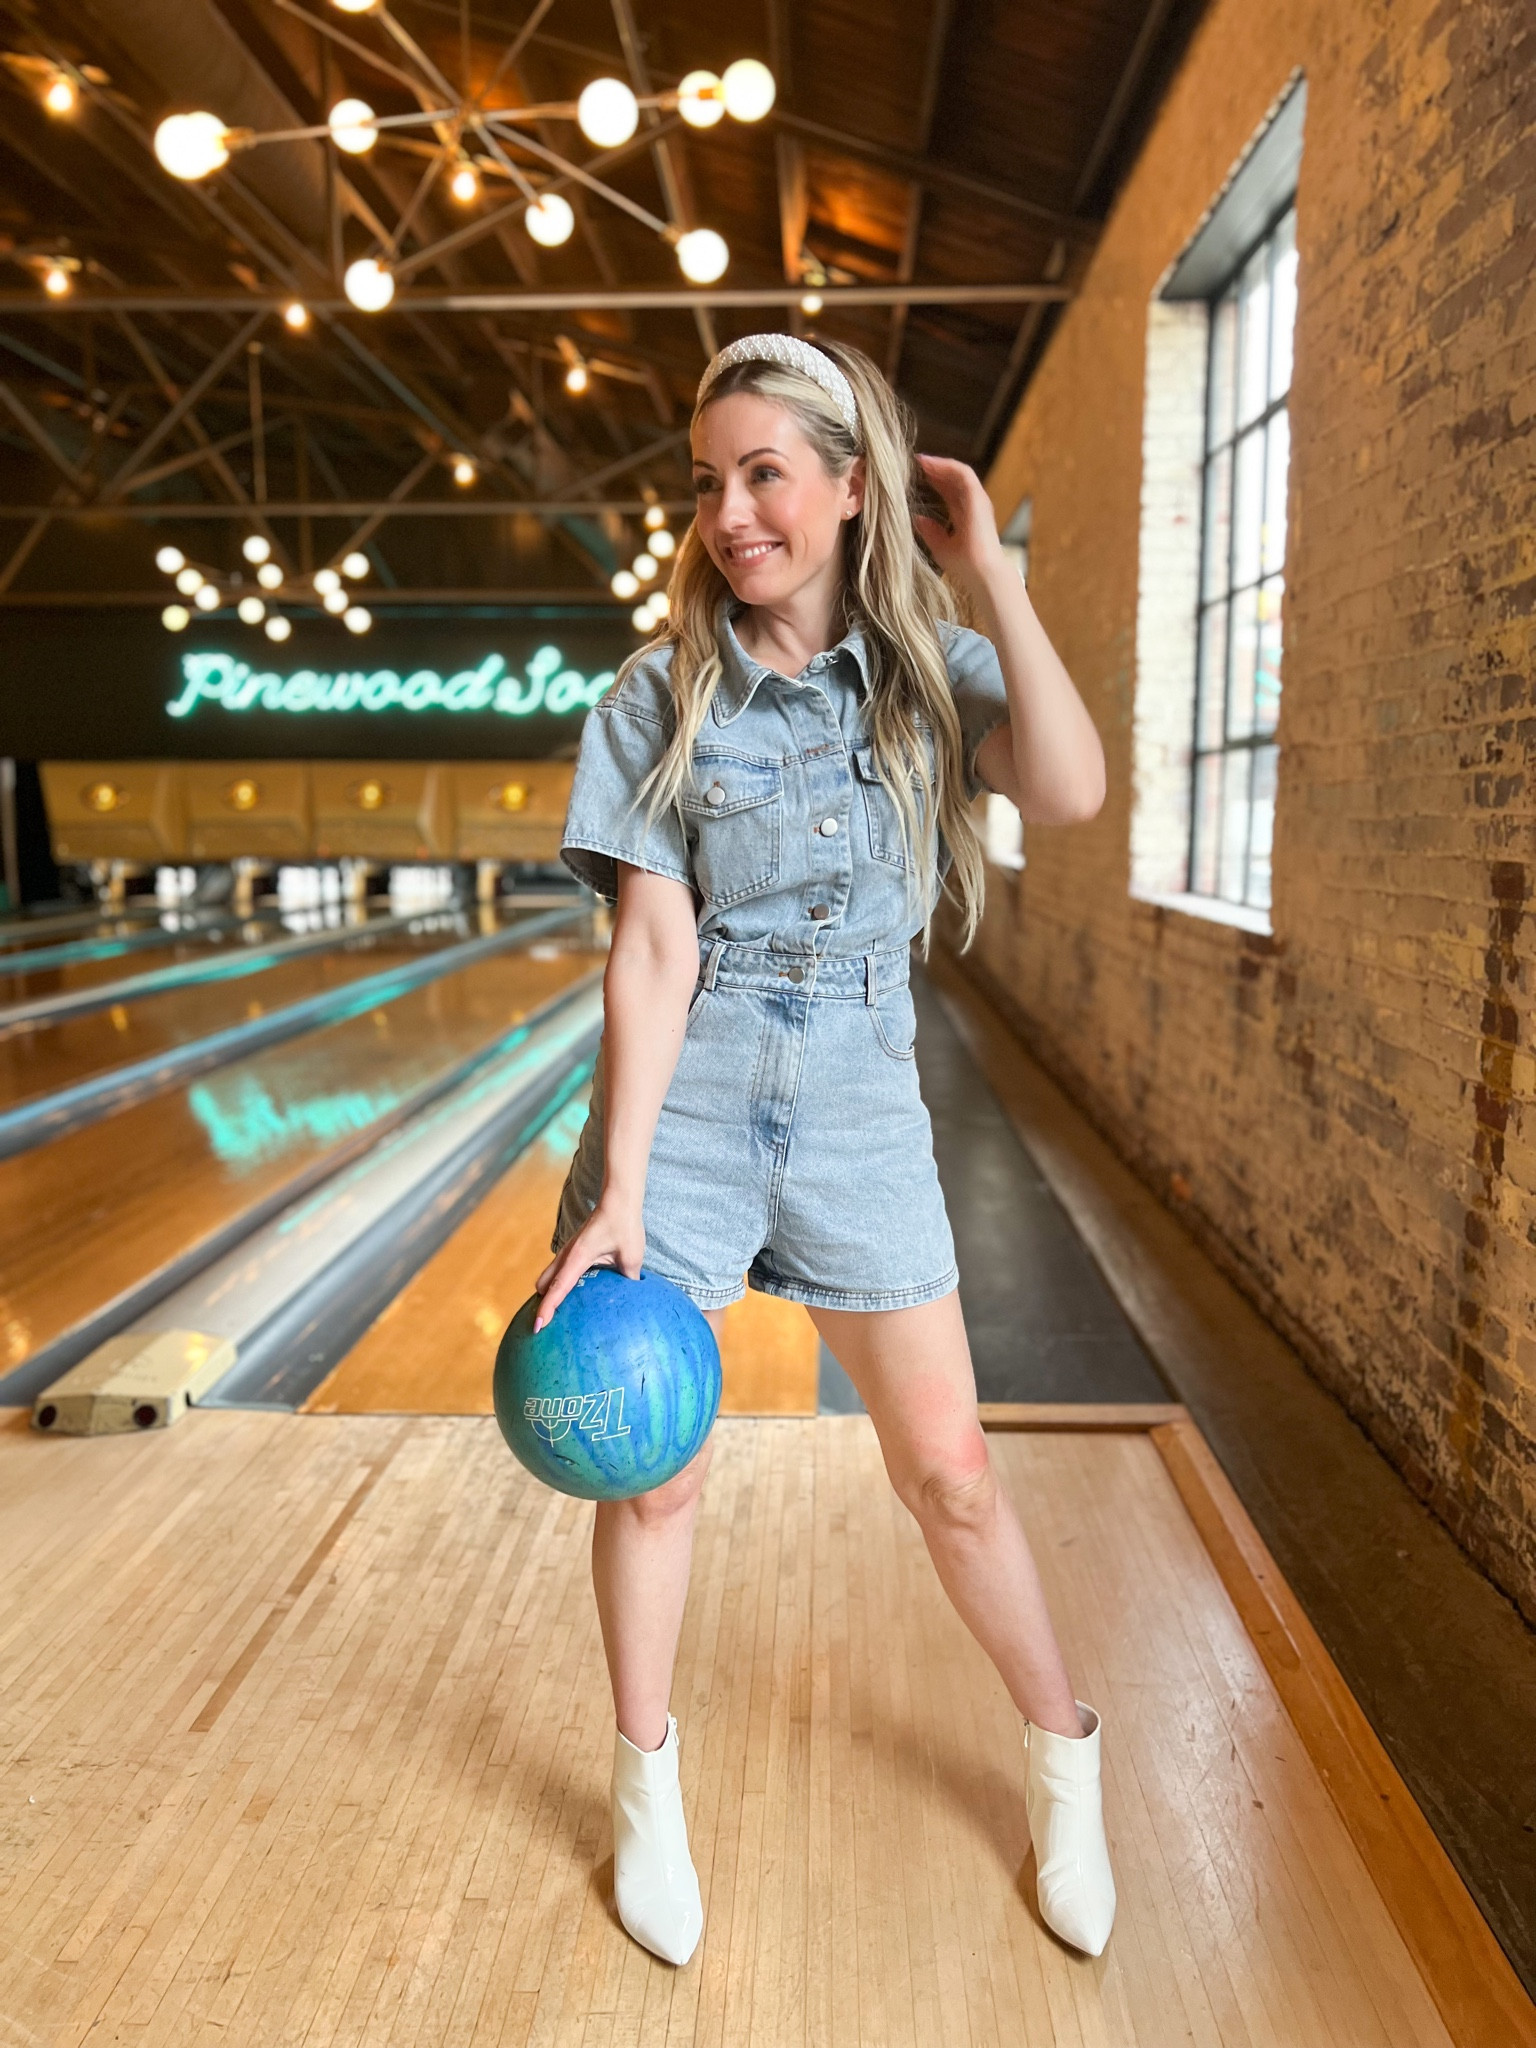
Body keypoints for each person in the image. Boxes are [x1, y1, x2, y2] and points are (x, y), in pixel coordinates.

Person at [536, 332, 1114, 1967]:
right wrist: (628, 1190)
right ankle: (648, 1789)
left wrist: (989, 572)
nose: (731, 512)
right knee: (656, 1484)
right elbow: (651, 951)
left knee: (951, 1473)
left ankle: (1065, 1755)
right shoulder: (658, 695)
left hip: (860, 1093)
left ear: (853, 490)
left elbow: (1065, 789)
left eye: (766, 474)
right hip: (698, 1100)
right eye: (708, 482)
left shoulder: (930, 678)